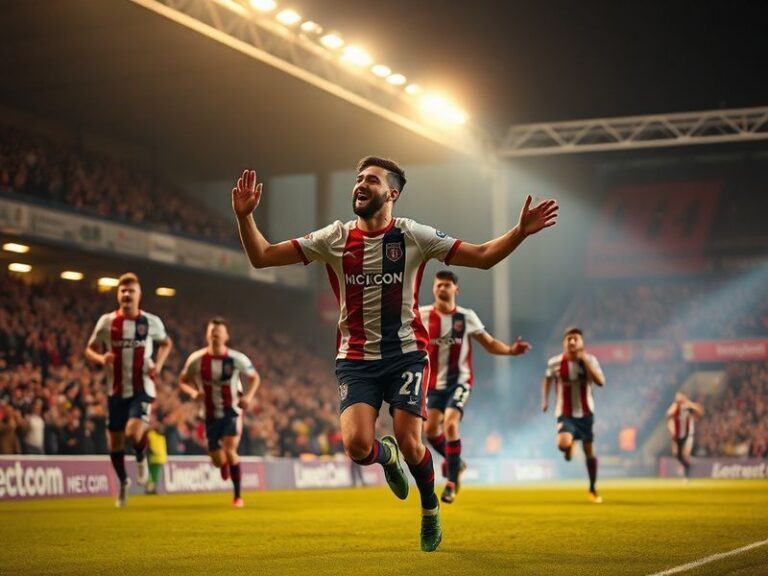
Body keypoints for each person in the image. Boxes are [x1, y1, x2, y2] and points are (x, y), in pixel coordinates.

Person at [232, 157, 558, 551]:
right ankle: (385, 458)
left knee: (412, 442)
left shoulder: (413, 235)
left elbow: (484, 255)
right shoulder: (334, 237)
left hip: (405, 354)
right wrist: (244, 218)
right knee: (356, 447)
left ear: (392, 193)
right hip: (355, 360)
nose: (360, 185)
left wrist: (520, 231)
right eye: (358, 179)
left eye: (371, 180)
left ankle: (429, 507)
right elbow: (262, 256)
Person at [420, 270, 531, 504]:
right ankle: (457, 463)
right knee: (430, 432)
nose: (442, 288)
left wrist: (511, 350)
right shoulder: (421, 315)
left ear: (455, 290)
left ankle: (451, 482)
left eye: (447, 285)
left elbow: (489, 343)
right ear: (433, 289)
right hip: (432, 385)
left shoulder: (466, 317)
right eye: (439, 285)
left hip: (460, 381)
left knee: (450, 423)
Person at [85, 273, 173, 507]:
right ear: (118, 295)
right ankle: (123, 483)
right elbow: (89, 349)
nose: (126, 294)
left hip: (141, 387)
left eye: (130, 291)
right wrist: (101, 357)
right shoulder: (107, 322)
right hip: (115, 392)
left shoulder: (151, 322)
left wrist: (158, 364)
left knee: (133, 433)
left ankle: (142, 456)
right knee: (114, 444)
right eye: (122, 291)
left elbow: (166, 343)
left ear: (138, 295)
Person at [178, 317, 260, 508]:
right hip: (209, 413)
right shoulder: (196, 359)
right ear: (207, 335)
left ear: (226, 336)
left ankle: (237, 497)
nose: (215, 334)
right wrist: (192, 392)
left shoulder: (236, 358)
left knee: (230, 449)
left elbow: (255, 377)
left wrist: (247, 397)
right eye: (212, 331)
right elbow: (182, 380)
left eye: (218, 331)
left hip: (232, 411)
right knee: (216, 459)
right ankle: (222, 465)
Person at [542, 327, 605, 503]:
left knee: (589, 452)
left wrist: (585, 360)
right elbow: (547, 379)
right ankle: (569, 446)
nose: (572, 341)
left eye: (575, 338)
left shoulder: (591, 360)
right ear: (564, 343)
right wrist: (545, 400)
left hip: (586, 414)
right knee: (562, 445)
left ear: (581, 343)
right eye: (569, 338)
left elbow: (601, 382)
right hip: (565, 413)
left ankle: (592, 489)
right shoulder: (555, 362)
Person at [666, 391, 704, 479]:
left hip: (687, 435)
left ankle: (686, 475)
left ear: (684, 396)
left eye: (679, 396)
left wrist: (690, 404)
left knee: (685, 454)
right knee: (676, 454)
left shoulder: (688, 407)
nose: (677, 398)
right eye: (677, 396)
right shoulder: (675, 407)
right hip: (677, 435)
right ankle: (687, 466)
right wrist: (671, 428)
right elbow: (668, 417)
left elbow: (700, 412)